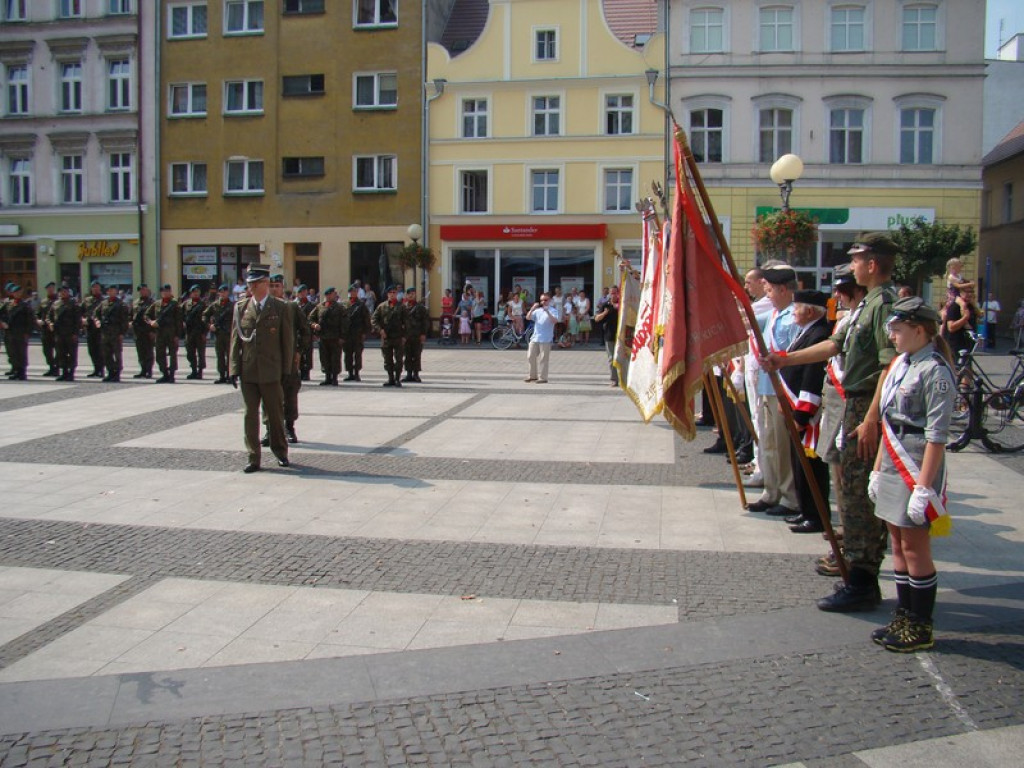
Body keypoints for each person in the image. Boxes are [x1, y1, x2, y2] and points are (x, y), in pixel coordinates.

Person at [762, 232, 900, 612]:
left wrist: (871, 419)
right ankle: (857, 573)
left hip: (864, 406)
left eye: (856, 259)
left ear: (871, 264)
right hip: (852, 406)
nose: (851, 265)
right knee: (849, 491)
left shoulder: (883, 305)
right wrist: (783, 360)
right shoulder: (866, 304)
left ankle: (862, 582)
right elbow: (835, 347)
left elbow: (890, 366)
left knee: (857, 496)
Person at [868, 296, 955, 652]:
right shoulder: (903, 363)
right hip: (892, 456)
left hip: (916, 462)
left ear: (920, 330)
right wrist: (876, 469)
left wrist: (923, 488)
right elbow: (886, 420)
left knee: (916, 546)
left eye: (898, 329)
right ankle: (904, 613)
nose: (892, 336)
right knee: (898, 542)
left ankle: (921, 624)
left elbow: (937, 436)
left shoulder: (935, 370)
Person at [814, 264, 867, 576]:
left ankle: (853, 549)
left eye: (841, 289)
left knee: (850, 483)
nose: (836, 295)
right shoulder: (849, 317)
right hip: (837, 402)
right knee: (839, 478)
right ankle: (846, 535)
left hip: (851, 404)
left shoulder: (870, 314)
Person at [229, 264, 294, 473]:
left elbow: (287, 341)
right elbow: (235, 341)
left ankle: (280, 452)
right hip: (249, 370)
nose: (251, 286)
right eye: (249, 283)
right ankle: (253, 457)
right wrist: (233, 369)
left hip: (271, 370)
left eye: (255, 283)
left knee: (275, 415)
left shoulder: (280, 307)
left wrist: (286, 370)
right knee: (250, 415)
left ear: (264, 283)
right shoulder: (241, 307)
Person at [746, 265, 800, 519]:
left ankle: (789, 496)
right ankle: (771, 491)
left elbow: (792, 354)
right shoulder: (775, 314)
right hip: (766, 387)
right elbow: (745, 320)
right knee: (768, 442)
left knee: (782, 445)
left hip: (784, 390)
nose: (767, 295)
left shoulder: (794, 316)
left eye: (769, 290)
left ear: (782, 289)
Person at [778, 290, 831, 534]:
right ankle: (805, 509)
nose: (794, 312)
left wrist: (801, 415)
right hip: (795, 406)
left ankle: (816, 515)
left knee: (811, 467)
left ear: (810, 311)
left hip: (809, 415)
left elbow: (812, 378)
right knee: (800, 465)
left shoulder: (819, 334)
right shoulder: (808, 331)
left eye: (796, 308)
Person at [268, 273, 309, 443]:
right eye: (271, 286)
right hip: (270, 359)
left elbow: (305, 330)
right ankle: (269, 429)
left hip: (289, 359)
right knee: (269, 395)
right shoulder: (264, 307)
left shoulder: (291, 307)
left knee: (290, 393)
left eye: (277, 285)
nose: (274, 288)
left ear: (282, 287)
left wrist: (299, 351)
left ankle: (289, 427)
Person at [309, 287, 347, 386]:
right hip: (323, 337)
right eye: (332, 294)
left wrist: (342, 337)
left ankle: (334, 378)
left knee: (335, 358)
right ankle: (327, 377)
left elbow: (345, 323)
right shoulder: (319, 307)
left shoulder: (340, 308)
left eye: (334, 294)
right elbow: (310, 318)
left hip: (335, 337)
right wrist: (314, 325)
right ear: (327, 295)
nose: (334, 295)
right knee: (324, 358)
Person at [372, 285, 408, 387]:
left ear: (396, 294)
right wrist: (380, 330)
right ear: (387, 294)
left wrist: (405, 336)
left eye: (394, 292)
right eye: (390, 293)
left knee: (399, 359)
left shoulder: (402, 307)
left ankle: (397, 379)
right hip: (386, 337)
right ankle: (390, 378)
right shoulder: (381, 306)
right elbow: (374, 320)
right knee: (387, 359)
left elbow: (407, 322)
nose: (392, 294)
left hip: (398, 337)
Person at [146, 284, 183, 384]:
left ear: (170, 292)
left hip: (171, 333)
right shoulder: (156, 304)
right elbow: (146, 315)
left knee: (172, 355)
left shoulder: (175, 304)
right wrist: (151, 322)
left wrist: (177, 335)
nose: (165, 293)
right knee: (159, 355)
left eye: (167, 291)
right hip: (160, 333)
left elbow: (179, 320)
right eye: (163, 291)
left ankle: (172, 375)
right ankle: (164, 373)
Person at [94, 284, 129, 382]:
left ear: (116, 292)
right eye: (110, 290)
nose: (111, 292)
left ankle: (117, 374)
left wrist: (122, 333)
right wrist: (97, 321)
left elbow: (124, 320)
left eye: (113, 290)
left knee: (117, 354)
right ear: (107, 292)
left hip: (116, 333)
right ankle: (110, 372)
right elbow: (95, 314)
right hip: (105, 333)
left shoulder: (121, 304)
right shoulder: (103, 303)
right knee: (106, 354)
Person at [48, 285, 81, 381]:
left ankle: (71, 373)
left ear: (68, 292)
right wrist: (50, 323)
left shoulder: (73, 303)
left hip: (70, 333)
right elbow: (49, 316)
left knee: (72, 353)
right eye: (61, 291)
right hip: (59, 333)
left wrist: (75, 333)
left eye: (65, 291)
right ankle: (64, 372)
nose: (63, 293)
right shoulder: (56, 304)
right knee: (61, 353)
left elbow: (77, 320)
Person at [0, 284, 33, 380]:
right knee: (12, 352)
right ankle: (16, 371)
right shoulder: (8, 304)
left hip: (21, 333)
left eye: (19, 292)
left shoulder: (25, 305)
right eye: (15, 292)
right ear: (12, 293)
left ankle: (22, 372)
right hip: (9, 332)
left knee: (21, 353)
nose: (17, 294)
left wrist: (28, 333)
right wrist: (2, 323)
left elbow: (30, 320)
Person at [204, 284, 234, 383]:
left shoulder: (233, 305)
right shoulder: (214, 305)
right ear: (219, 293)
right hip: (218, 334)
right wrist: (209, 326)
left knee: (230, 356)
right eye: (221, 292)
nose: (223, 294)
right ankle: (222, 375)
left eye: (225, 291)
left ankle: (230, 376)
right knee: (220, 355)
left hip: (229, 334)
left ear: (228, 292)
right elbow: (205, 315)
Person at [942, 282, 978, 365]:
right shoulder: (954, 307)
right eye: (967, 291)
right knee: (959, 373)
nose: (969, 294)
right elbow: (951, 327)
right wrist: (965, 318)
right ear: (960, 293)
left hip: (967, 346)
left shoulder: (970, 307)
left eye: (971, 291)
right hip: (955, 346)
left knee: (967, 372)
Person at [524, 292, 557, 383]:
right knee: (530, 356)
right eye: (541, 300)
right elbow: (528, 317)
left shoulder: (553, 310)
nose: (543, 302)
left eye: (545, 300)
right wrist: (532, 309)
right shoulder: (537, 311)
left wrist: (547, 312)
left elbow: (555, 321)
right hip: (535, 337)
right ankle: (533, 376)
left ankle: (543, 378)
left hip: (546, 338)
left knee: (543, 359)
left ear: (549, 300)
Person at [343, 283, 371, 381]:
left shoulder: (361, 305)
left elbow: (366, 319)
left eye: (354, 292)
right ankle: (350, 373)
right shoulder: (344, 305)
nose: (352, 293)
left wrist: (365, 332)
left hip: (357, 333)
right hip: (347, 334)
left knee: (357, 354)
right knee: (348, 354)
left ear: (357, 293)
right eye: (350, 292)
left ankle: (356, 373)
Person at [403, 287, 430, 382]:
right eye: (409, 294)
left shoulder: (420, 307)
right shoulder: (403, 307)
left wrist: (423, 334)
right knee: (407, 355)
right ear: (406, 295)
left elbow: (425, 322)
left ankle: (416, 374)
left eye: (413, 294)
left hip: (417, 335)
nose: (411, 295)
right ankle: (408, 374)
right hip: (407, 336)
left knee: (417, 355)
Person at [181, 285, 208, 380]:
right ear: (190, 293)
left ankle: (200, 372)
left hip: (200, 332)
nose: (196, 293)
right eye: (194, 292)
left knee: (201, 353)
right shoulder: (186, 304)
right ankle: (193, 370)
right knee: (190, 353)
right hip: (189, 332)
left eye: (197, 291)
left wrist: (205, 333)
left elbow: (207, 319)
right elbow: (180, 314)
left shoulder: (204, 304)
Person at [594, 287, 619, 386]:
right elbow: (596, 319)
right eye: (611, 293)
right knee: (612, 358)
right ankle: (614, 379)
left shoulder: (623, 304)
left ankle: (624, 379)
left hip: (622, 335)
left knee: (623, 358)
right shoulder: (606, 305)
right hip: (610, 335)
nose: (613, 295)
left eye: (615, 293)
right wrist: (605, 313)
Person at [80, 280, 105, 378]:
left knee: (100, 350)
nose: (96, 289)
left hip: (100, 329)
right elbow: (80, 312)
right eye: (94, 287)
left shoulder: (104, 301)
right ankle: (96, 369)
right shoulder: (87, 300)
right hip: (89, 328)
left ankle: (101, 370)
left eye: (97, 287)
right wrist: (82, 319)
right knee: (92, 350)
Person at [131, 284, 155, 379]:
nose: (142, 291)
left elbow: (155, 317)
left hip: (148, 331)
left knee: (148, 351)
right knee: (140, 352)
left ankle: (149, 371)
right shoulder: (136, 302)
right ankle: (143, 370)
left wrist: (153, 331)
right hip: (138, 331)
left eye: (144, 290)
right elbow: (131, 315)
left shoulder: (152, 303)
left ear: (148, 290)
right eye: (141, 290)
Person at [295, 284, 316, 380]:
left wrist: (314, 333)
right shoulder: (295, 305)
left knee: (307, 353)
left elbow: (313, 319)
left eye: (303, 292)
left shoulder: (311, 305)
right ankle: (300, 370)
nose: (302, 294)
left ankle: (306, 372)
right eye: (300, 292)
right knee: (298, 352)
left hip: (307, 333)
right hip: (297, 333)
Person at [36, 282, 58, 377]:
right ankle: (51, 367)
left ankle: (57, 368)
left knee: (59, 350)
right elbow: (37, 314)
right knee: (47, 351)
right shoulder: (43, 302)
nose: (51, 290)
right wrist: (38, 320)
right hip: (45, 330)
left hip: (56, 330)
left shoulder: (59, 300)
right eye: (49, 288)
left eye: (52, 288)